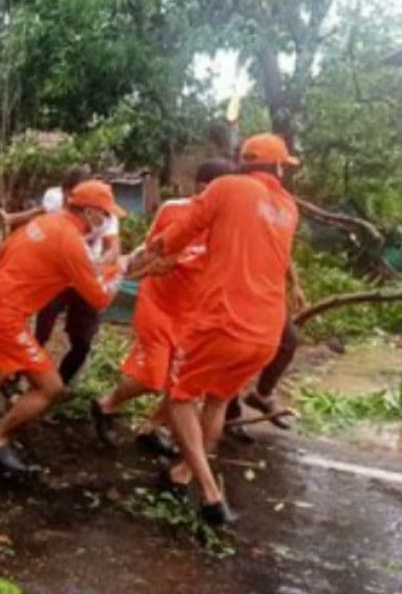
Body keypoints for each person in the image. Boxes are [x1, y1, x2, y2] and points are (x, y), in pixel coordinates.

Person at [130, 133, 299, 528]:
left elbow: (180, 232)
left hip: (223, 321)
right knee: (218, 399)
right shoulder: (288, 208)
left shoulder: (226, 188)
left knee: (178, 395)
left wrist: (155, 253)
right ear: (275, 168)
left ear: (245, 163)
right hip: (267, 331)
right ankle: (181, 473)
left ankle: (209, 494)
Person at [0, 181, 126, 473]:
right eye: (104, 215)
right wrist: (122, 268)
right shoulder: (70, 241)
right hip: (3, 314)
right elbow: (100, 298)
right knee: (50, 387)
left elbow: (5, 253)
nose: (106, 222)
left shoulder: (43, 222)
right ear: (90, 212)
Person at [91, 159, 236, 455]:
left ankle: (152, 428)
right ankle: (106, 405)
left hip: (194, 313)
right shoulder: (174, 210)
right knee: (153, 376)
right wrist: (131, 265)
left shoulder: (230, 223)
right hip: (158, 304)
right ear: (204, 188)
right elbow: (151, 250)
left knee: (182, 385)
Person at [0, 165, 120, 386]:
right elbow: (39, 213)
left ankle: (59, 387)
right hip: (56, 276)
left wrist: (99, 264)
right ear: (64, 192)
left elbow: (114, 248)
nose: (70, 201)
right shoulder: (55, 201)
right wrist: (11, 219)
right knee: (40, 332)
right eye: (68, 194)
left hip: (85, 275)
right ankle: (17, 379)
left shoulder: (103, 209)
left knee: (82, 339)